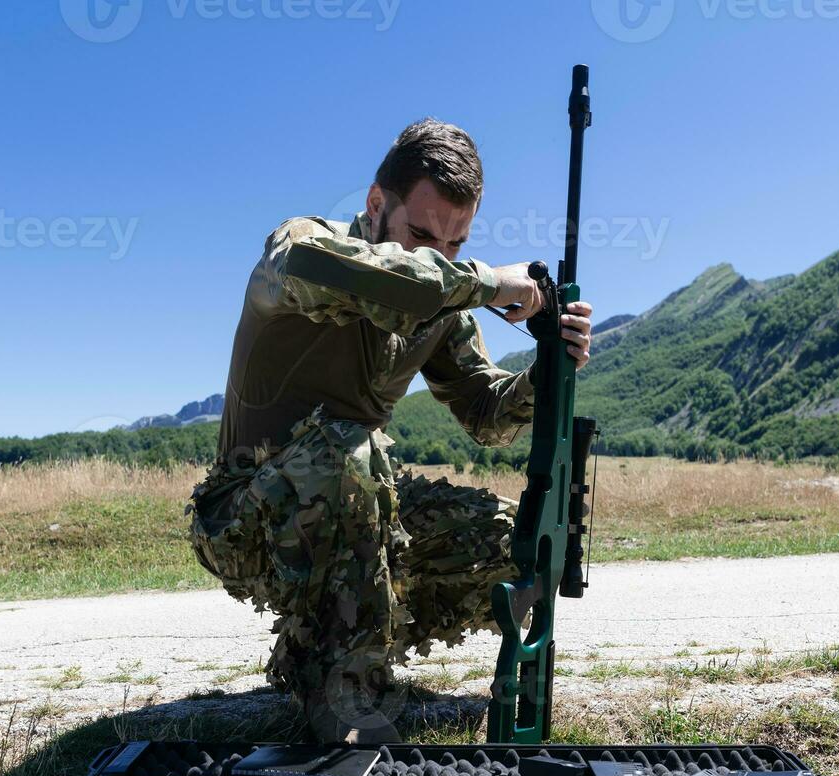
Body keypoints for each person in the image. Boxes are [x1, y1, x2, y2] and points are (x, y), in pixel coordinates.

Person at [189, 119, 593, 743]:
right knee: (352, 449)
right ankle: (343, 695)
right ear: (377, 205)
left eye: (456, 244)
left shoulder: (441, 305)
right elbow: (371, 278)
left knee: (514, 541)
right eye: (423, 236)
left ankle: (342, 658)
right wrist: (484, 281)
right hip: (242, 518)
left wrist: (548, 369)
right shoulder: (305, 249)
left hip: (354, 504)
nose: (439, 257)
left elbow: (486, 413)